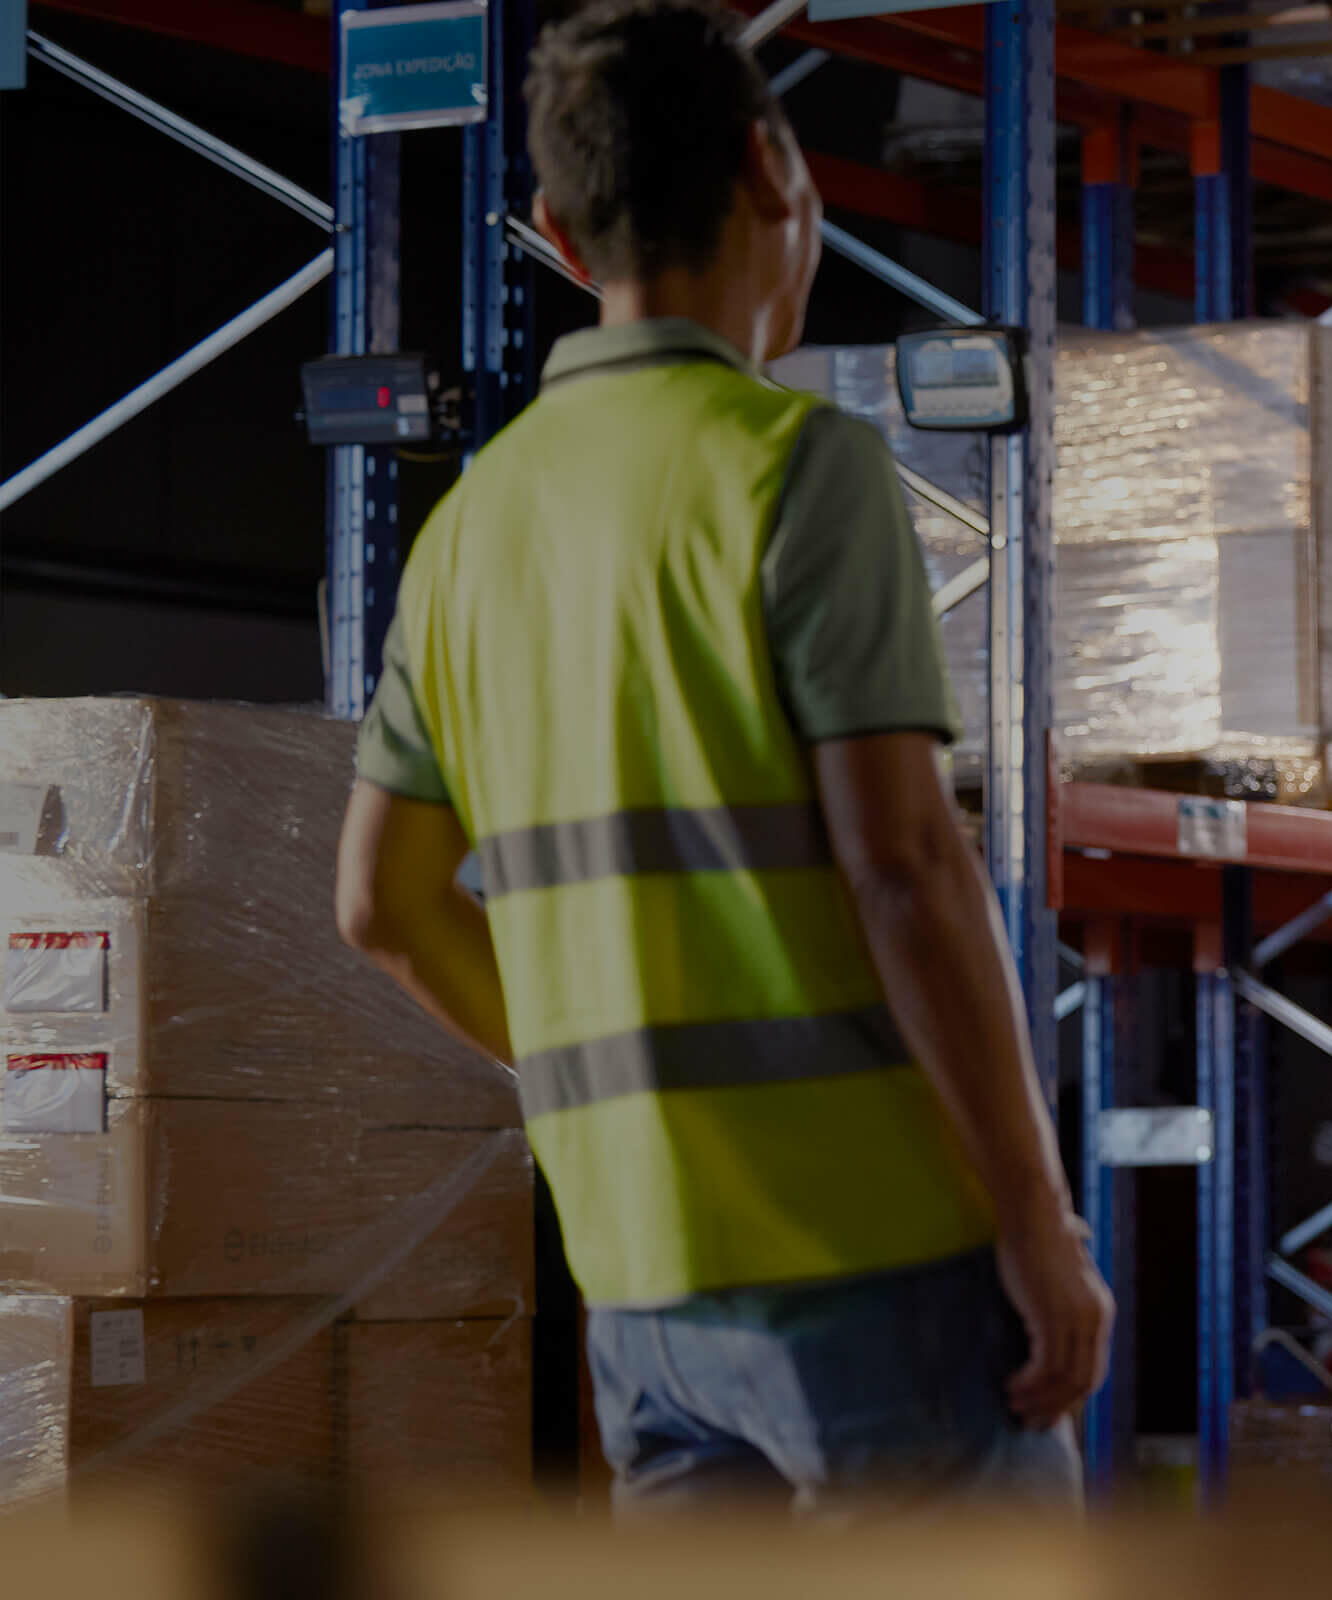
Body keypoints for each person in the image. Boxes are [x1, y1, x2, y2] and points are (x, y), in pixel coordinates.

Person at [331, 0, 1109, 1515]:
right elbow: (902, 865)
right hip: (873, 1254)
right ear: (774, 173)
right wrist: (1036, 1215)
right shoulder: (795, 466)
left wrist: (599, 1083)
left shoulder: (467, 534)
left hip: (640, 1288)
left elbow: (378, 906)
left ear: (557, 228)